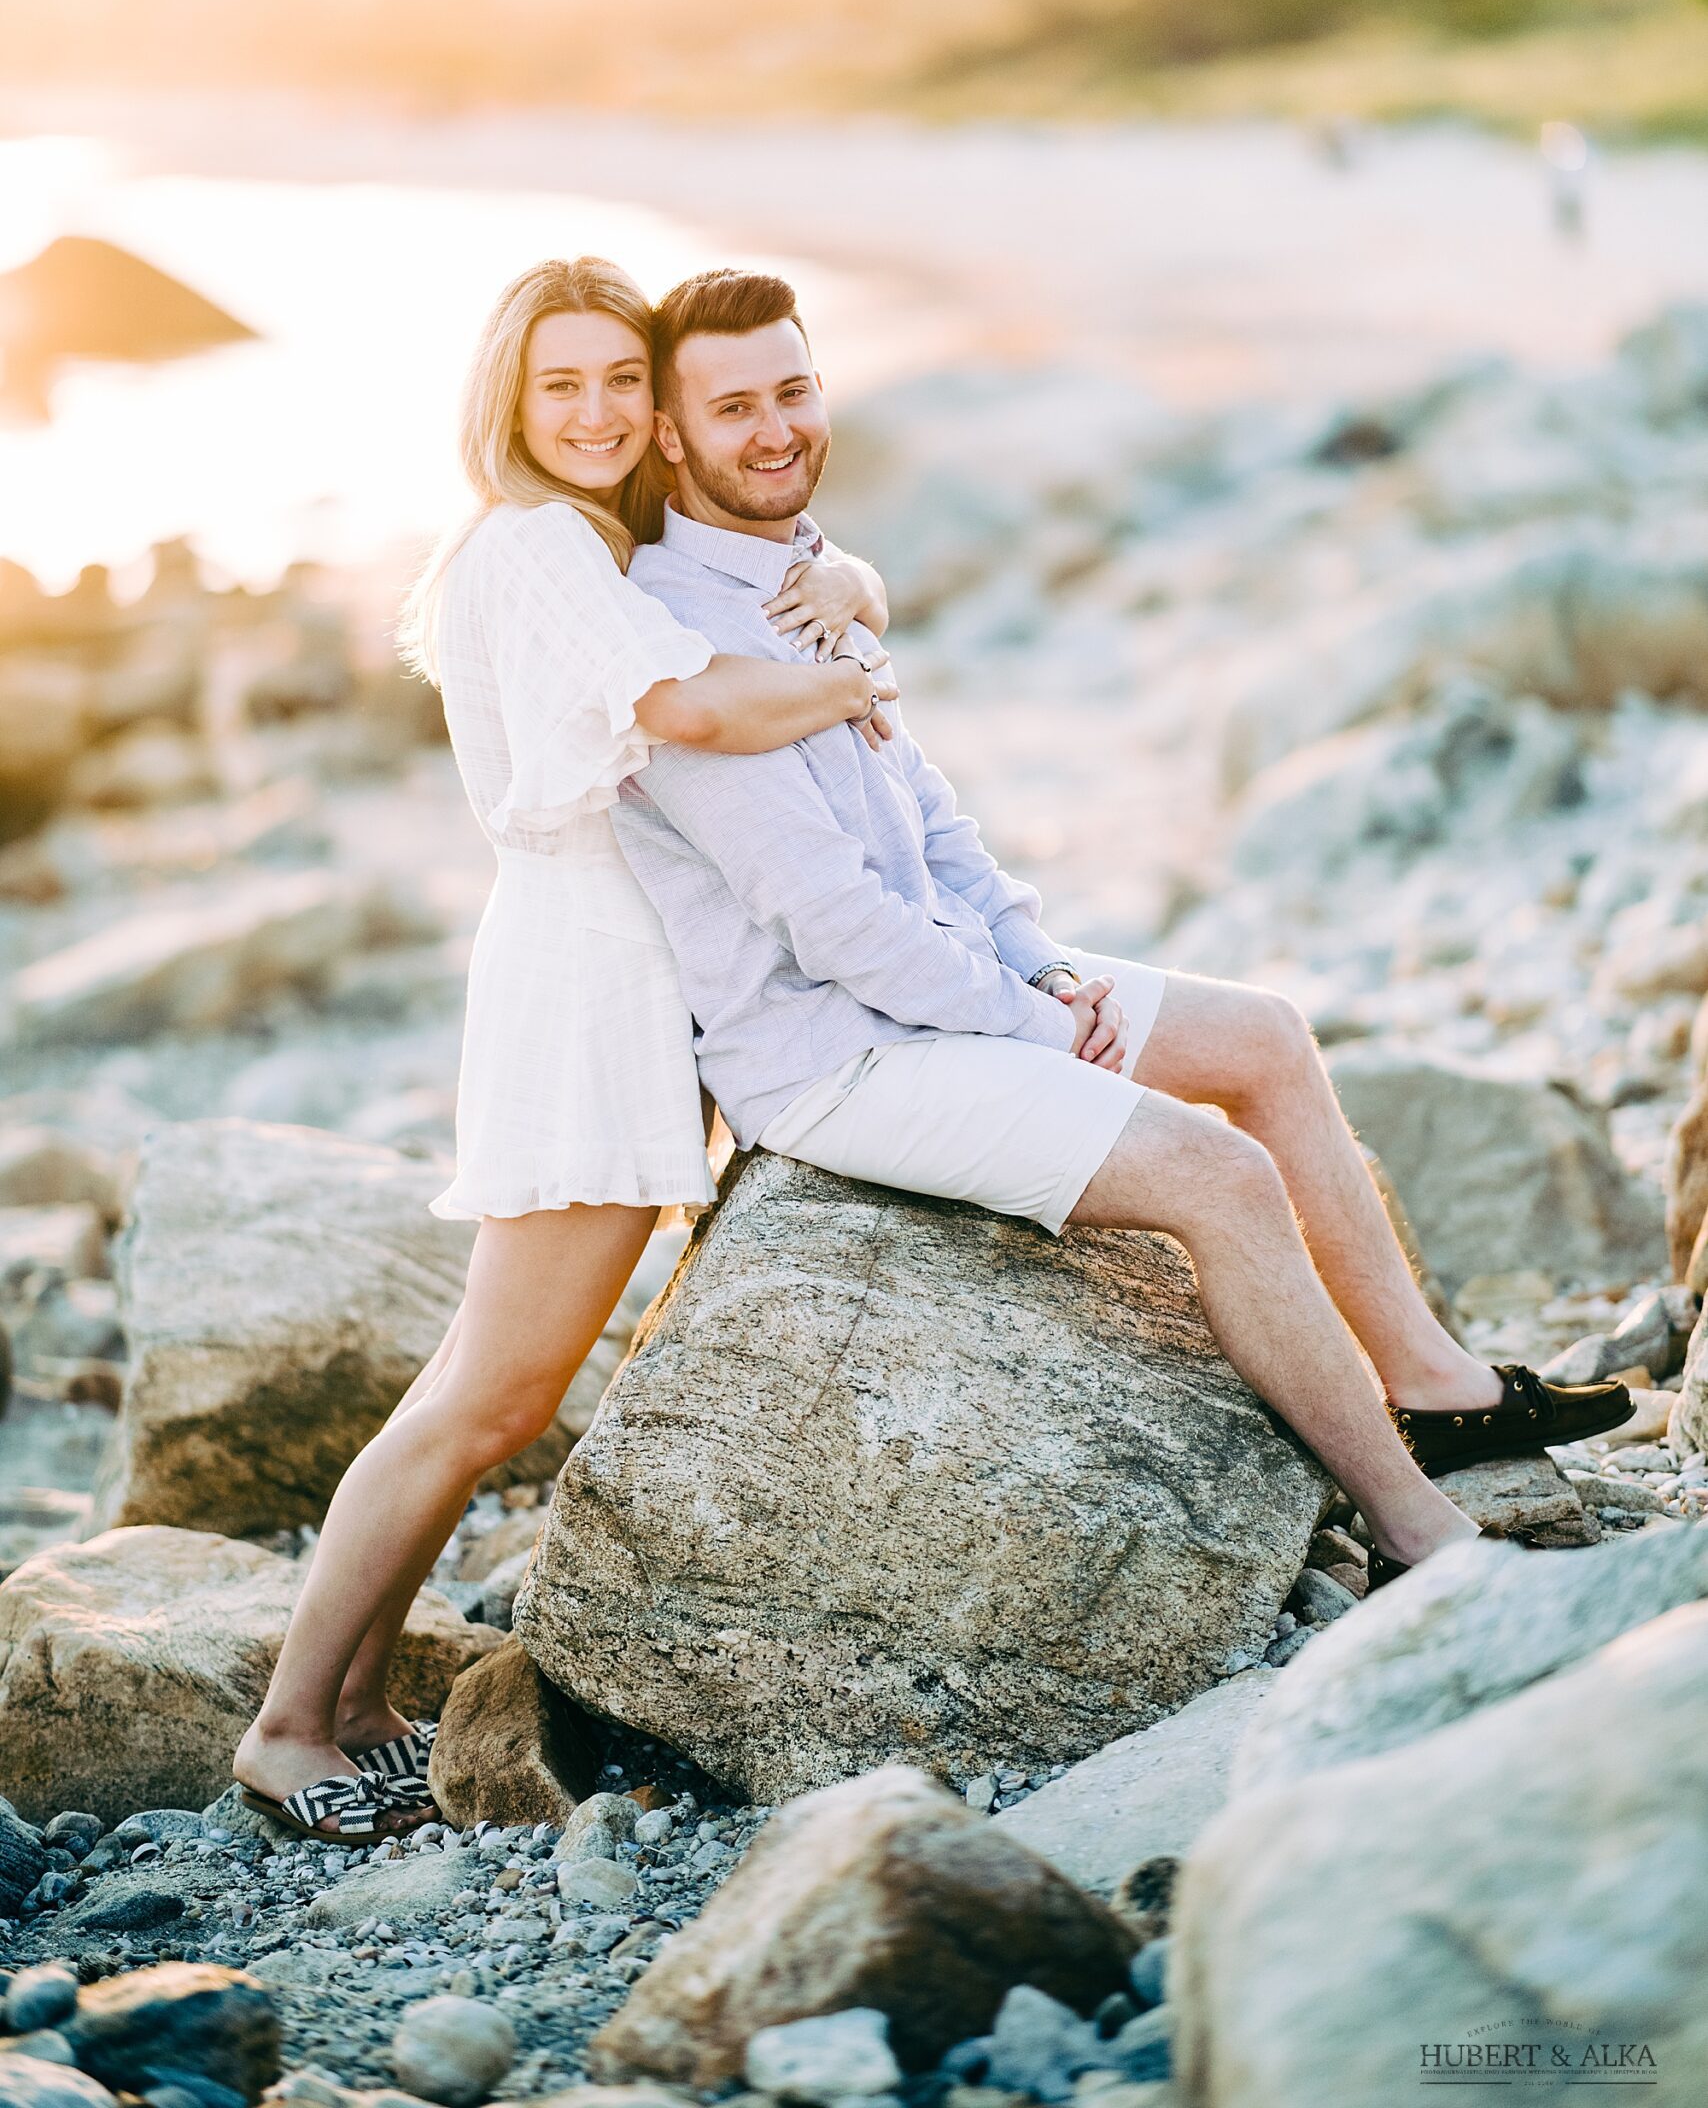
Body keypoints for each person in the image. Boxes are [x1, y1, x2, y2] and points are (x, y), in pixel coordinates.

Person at [612, 266, 1635, 1594]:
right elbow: (835, 925)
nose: (776, 428)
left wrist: (1038, 962)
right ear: (674, 435)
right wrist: (1037, 1026)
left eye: (794, 391)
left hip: (949, 980)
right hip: (832, 1056)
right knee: (1218, 1175)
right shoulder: (673, 638)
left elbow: (930, 829)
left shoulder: (809, 578)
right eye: (734, 406)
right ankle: (1417, 1527)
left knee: (1265, 1039)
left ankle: (1440, 1387)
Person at [232, 256, 895, 1843]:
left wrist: (849, 586)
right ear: (508, 406)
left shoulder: (567, 546)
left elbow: (783, 580)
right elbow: (706, 712)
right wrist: (862, 679)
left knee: (494, 1391)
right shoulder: (535, 544)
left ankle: (363, 1702)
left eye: (619, 383)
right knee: (486, 1392)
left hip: (610, 977)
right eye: (563, 387)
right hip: (585, 988)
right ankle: (284, 1727)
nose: (597, 414)